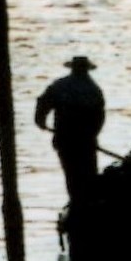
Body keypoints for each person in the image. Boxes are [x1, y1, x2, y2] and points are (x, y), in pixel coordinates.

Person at [35, 54, 105, 202]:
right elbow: (99, 118)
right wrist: (92, 135)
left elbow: (43, 103)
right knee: (88, 172)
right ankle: (86, 202)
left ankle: (76, 201)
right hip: (86, 140)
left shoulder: (59, 86)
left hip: (64, 138)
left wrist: (40, 121)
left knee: (71, 172)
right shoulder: (94, 90)